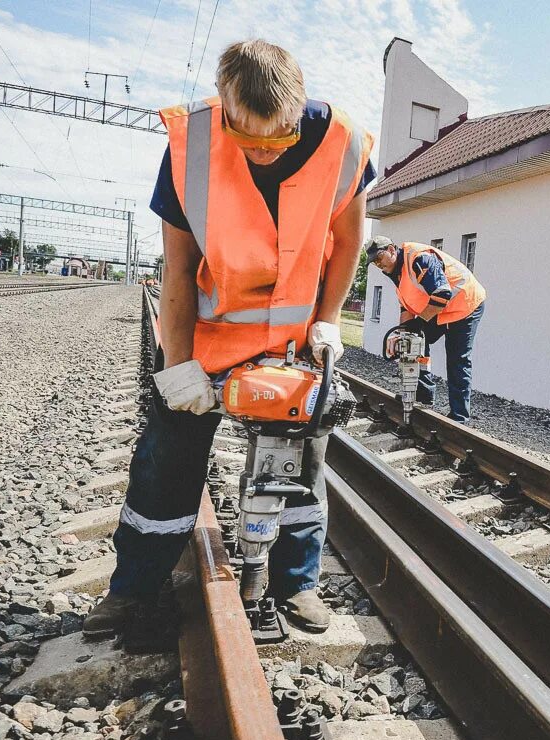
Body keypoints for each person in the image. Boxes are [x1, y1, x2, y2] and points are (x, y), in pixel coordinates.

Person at [82, 40, 374, 644]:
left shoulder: (343, 144)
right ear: (227, 110)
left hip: (292, 349)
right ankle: (133, 587)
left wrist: (327, 318)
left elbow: (348, 243)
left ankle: (295, 583)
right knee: (167, 460)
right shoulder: (191, 146)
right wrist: (179, 366)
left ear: (299, 112)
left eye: (280, 139)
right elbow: (179, 268)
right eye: (251, 141)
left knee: (299, 466)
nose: (266, 153)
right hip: (212, 346)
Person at [366, 237, 486, 423]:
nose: (377, 264)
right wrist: (404, 332)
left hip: (465, 305)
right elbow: (406, 307)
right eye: (374, 262)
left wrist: (420, 322)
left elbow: (442, 293)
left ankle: (460, 416)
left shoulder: (419, 259)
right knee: (413, 342)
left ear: (391, 249)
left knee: (457, 359)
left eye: (379, 258)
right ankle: (424, 394)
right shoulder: (395, 272)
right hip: (439, 310)